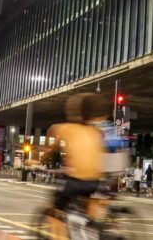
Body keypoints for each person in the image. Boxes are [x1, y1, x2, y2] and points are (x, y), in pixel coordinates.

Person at [42, 93, 109, 236]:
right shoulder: (97, 132)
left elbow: (51, 130)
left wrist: (45, 154)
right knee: (89, 213)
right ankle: (89, 230)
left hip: (76, 182)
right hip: (96, 182)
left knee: (55, 210)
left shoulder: (68, 128)